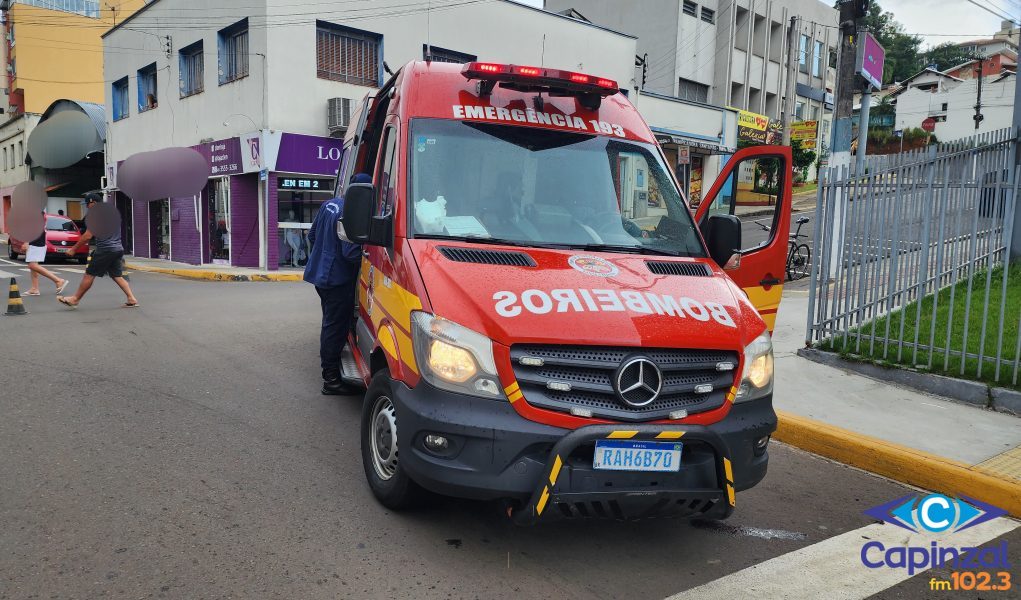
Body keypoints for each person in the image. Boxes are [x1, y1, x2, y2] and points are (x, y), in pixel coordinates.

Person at [305, 173, 369, 395]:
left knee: (329, 322)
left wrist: (323, 255)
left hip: (320, 275)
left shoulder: (329, 204)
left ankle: (330, 358)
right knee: (335, 326)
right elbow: (351, 254)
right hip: (337, 279)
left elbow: (312, 235)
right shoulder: (352, 213)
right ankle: (331, 380)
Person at [57, 194, 138, 309]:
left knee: (89, 274)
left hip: (105, 249)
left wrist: (73, 249)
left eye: (88, 205)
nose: (87, 207)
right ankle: (131, 298)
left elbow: (88, 235)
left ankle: (75, 299)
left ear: (93, 203)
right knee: (116, 275)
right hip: (117, 249)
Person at [21, 210, 68, 296]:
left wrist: (26, 242)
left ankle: (58, 280)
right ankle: (34, 288)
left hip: (35, 242)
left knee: (32, 265)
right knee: (33, 267)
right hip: (38, 241)